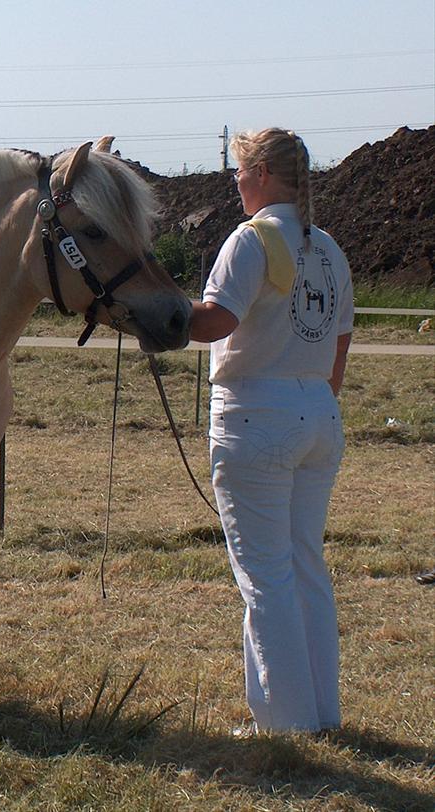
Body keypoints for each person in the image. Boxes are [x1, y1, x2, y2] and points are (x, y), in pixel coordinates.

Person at [190, 128, 354, 735]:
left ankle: (287, 727)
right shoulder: (330, 249)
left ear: (261, 173)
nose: (236, 182)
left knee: (266, 577)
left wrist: (157, 314)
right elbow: (337, 352)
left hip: (256, 417)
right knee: (305, 565)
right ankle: (318, 713)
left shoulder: (251, 240)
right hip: (318, 416)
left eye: (240, 171)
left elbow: (215, 322)